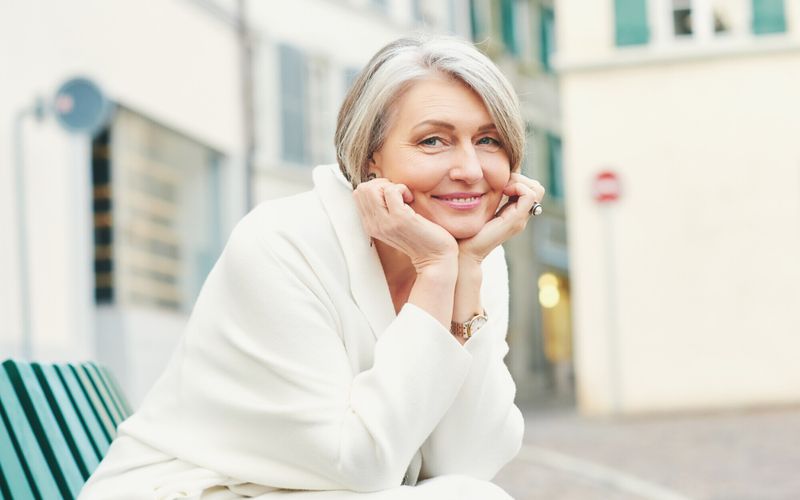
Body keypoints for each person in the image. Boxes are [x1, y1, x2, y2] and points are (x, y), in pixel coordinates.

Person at [79, 35, 545, 500]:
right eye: (433, 141)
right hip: (191, 487)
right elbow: (359, 463)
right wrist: (437, 272)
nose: (469, 168)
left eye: (488, 140)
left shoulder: (471, 256)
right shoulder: (283, 243)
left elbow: (471, 460)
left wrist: (462, 276)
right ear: (370, 158)